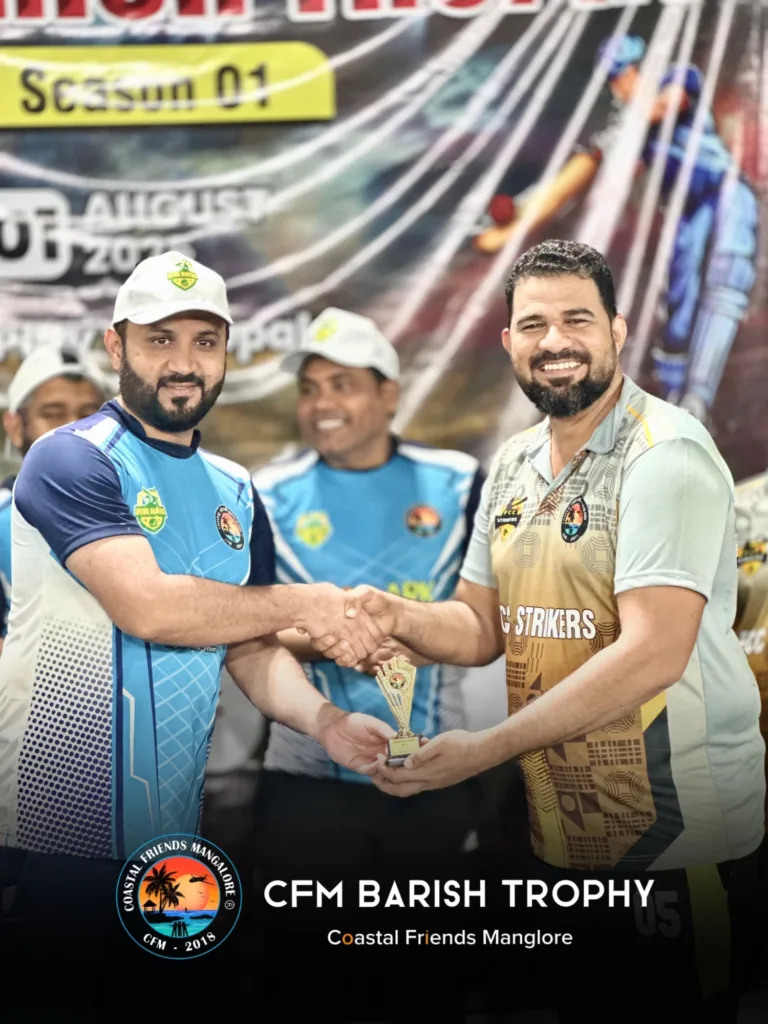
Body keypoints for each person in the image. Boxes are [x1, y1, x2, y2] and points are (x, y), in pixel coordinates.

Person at [318, 240, 765, 1020]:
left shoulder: (665, 454)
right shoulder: (515, 462)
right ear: (508, 341)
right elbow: (478, 626)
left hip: (680, 845)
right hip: (566, 842)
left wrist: (485, 750)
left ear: (618, 331)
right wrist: (399, 616)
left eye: (576, 320)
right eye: (533, 324)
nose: (555, 341)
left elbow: (653, 653)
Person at [0, 252, 391, 986]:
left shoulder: (235, 489)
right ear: (116, 347)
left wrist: (327, 723)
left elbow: (248, 644)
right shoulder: (69, 459)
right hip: (49, 839)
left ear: (226, 353)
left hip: (169, 851)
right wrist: (307, 601)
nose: (184, 363)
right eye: (160, 339)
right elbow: (148, 607)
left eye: (204, 341)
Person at [251, 306, 485, 883]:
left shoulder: (459, 483)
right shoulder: (264, 495)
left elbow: (488, 621)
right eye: (309, 389)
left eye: (342, 384)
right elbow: (246, 630)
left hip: (436, 770)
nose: (321, 403)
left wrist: (414, 637)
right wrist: (344, 640)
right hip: (305, 778)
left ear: (389, 396)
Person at [473, 34, 758, 424]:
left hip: (724, 194)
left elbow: (663, 106)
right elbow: (575, 178)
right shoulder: (627, 128)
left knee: (725, 284)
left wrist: (615, 138)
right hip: (688, 213)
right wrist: (519, 219)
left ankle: (697, 398)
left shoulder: (676, 79)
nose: (620, 85)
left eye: (625, 73)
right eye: (615, 77)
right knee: (679, 308)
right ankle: (683, 409)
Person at [0, 345, 106, 644]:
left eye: (88, 415)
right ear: (15, 427)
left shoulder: (141, 508)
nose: (72, 429)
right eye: (53, 414)